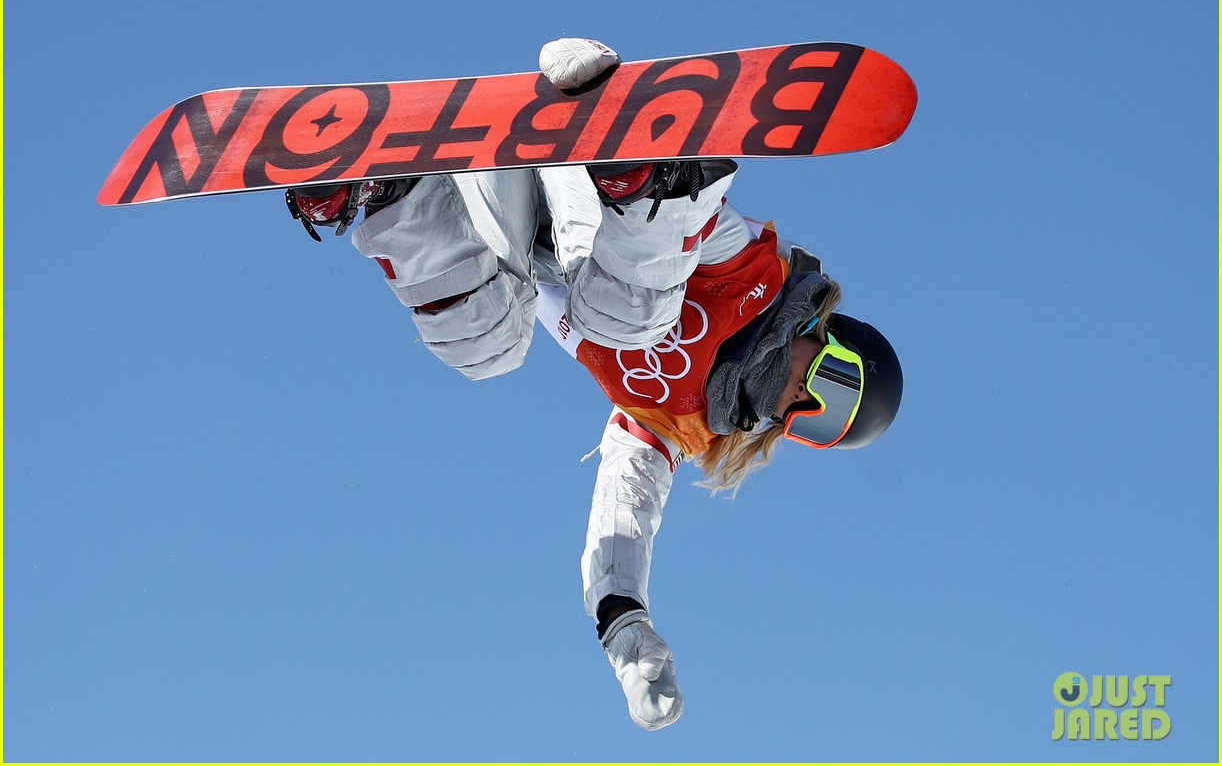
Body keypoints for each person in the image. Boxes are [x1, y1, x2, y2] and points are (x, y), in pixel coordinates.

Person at [283, 39, 903, 730]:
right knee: (628, 319)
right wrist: (656, 150)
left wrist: (624, 622)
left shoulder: (683, 422)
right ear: (828, 333)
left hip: (506, 219)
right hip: (586, 176)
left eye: (817, 427)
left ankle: (388, 193)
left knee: (484, 349)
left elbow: (624, 511)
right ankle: (641, 172)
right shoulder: (761, 279)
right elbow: (706, 221)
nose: (804, 406)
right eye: (835, 385)